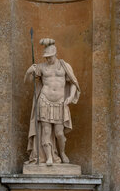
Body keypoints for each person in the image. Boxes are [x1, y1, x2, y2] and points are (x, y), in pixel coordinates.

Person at [25, 37, 80, 166]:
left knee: (59, 133)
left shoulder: (64, 66)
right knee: (46, 131)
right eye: (46, 57)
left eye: (50, 56)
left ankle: (62, 152)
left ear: (55, 54)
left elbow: (73, 83)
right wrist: (28, 72)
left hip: (60, 102)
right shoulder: (41, 67)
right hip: (44, 101)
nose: (48, 59)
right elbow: (29, 82)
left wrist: (71, 97)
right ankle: (49, 157)